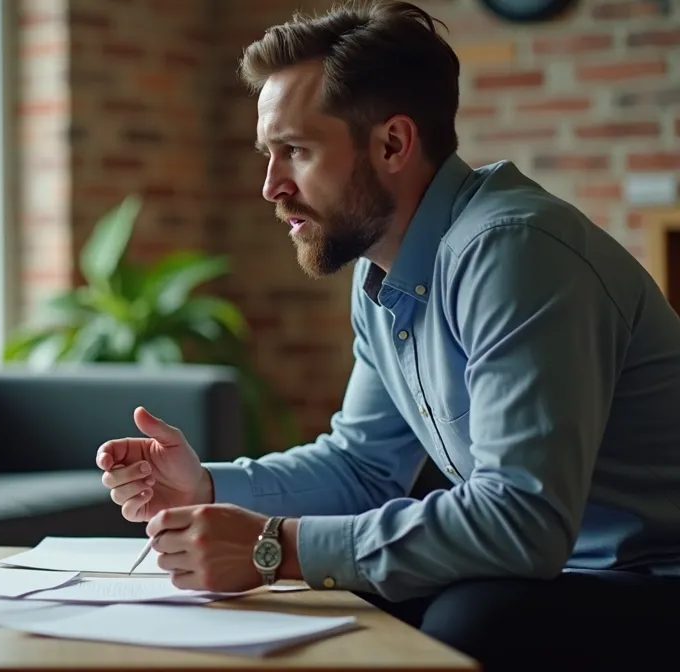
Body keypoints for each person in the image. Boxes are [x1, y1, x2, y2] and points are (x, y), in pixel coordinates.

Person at [96, 1, 680, 669]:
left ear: (393, 144)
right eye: (268, 153)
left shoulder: (515, 250)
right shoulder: (384, 265)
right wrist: (205, 487)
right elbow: (365, 467)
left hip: (653, 577)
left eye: (296, 151)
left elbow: (523, 522)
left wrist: (271, 545)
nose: (270, 186)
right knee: (343, 602)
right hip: (564, 572)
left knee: (471, 618)